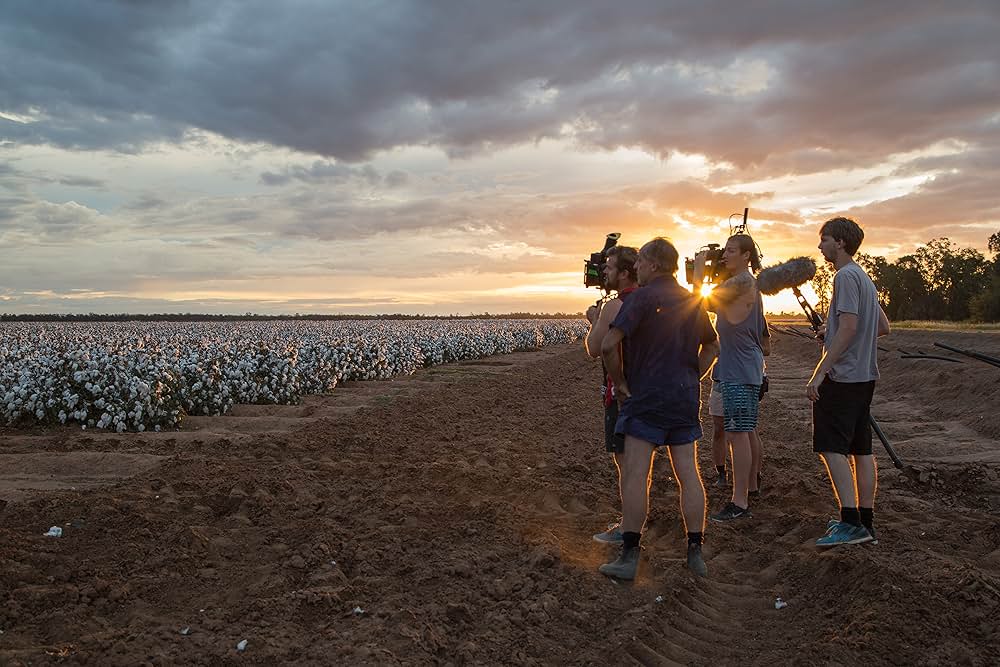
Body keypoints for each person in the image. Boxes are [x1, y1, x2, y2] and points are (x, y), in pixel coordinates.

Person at [600, 238, 719, 579]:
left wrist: (621, 384)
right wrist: (693, 372)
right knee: (689, 475)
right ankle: (695, 551)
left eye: (639, 263)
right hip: (682, 397)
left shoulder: (640, 298)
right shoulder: (691, 300)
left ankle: (629, 556)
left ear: (652, 264)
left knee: (637, 475)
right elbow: (712, 345)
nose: (635, 268)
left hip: (646, 398)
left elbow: (609, 345)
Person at [807, 217, 890, 547]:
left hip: (843, 378)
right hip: (865, 377)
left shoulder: (844, 276)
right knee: (861, 450)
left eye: (824, 239)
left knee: (830, 447)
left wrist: (820, 372)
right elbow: (882, 326)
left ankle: (850, 521)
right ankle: (865, 522)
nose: (820, 246)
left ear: (840, 242)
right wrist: (833, 331)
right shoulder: (864, 278)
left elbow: (852, 328)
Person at [695, 235, 767, 521]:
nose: (724, 255)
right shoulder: (745, 284)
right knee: (745, 431)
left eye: (731, 250)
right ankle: (748, 489)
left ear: (747, 255)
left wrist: (700, 271)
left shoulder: (742, 283)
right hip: (741, 366)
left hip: (739, 368)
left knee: (737, 434)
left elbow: (701, 301)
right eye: (725, 250)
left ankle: (739, 503)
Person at [582, 244, 640, 544]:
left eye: (610, 267)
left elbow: (595, 348)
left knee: (626, 464)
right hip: (649, 393)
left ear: (625, 273)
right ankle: (635, 521)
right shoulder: (651, 301)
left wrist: (595, 320)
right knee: (640, 463)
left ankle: (628, 528)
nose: (604, 271)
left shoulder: (613, 307)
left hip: (621, 395)